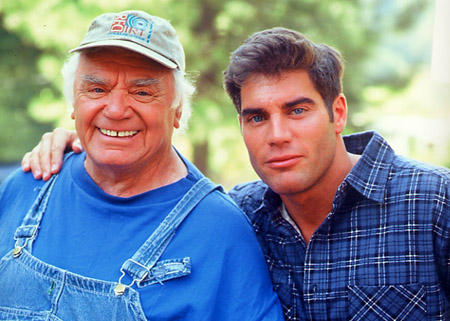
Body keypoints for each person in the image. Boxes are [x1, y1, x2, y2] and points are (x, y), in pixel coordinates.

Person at [21, 27, 450, 320]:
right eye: (257, 117)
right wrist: (85, 142)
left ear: (338, 112)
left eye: (297, 110)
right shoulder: (240, 216)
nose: (277, 135)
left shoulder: (432, 202)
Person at [0, 11, 284, 320]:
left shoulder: (220, 231)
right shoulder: (27, 185)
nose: (117, 109)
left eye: (142, 92)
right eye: (97, 89)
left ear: (177, 111)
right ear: (74, 103)